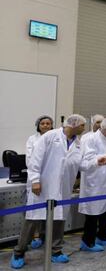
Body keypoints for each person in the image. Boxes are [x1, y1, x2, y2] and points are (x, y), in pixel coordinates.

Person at [10, 114, 86, 269]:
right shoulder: (50, 136)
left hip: (63, 188)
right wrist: (35, 181)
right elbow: (34, 160)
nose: (84, 128)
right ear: (73, 124)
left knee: (59, 220)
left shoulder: (78, 143)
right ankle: (19, 252)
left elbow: (81, 165)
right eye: (82, 125)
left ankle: (56, 251)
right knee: (32, 220)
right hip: (43, 187)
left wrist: (98, 162)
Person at [79, 117, 106, 252]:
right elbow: (87, 160)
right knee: (93, 212)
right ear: (103, 128)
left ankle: (102, 236)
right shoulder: (90, 139)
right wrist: (105, 155)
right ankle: (88, 242)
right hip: (95, 181)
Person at [25, 115, 54, 249]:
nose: (46, 125)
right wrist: (37, 177)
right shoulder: (32, 139)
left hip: (50, 179)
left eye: (48, 123)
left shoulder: (56, 138)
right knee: (34, 212)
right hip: (36, 178)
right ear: (38, 125)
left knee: (48, 211)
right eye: (43, 123)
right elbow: (30, 160)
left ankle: (44, 237)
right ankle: (30, 239)